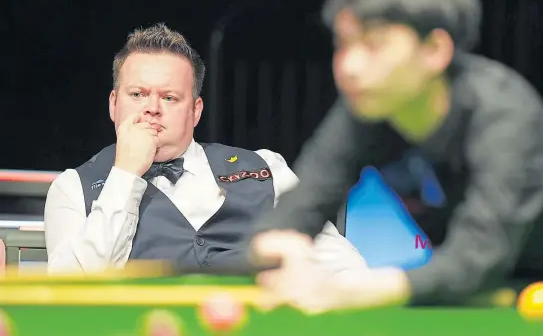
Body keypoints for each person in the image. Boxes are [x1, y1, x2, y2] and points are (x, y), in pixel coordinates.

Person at [249, 0, 543, 313]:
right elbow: (310, 197)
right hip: (494, 290)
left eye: (374, 44)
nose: (350, 65)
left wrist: (358, 289)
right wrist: (279, 243)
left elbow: (480, 253)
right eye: (343, 44)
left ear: (435, 49)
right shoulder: (371, 109)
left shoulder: (506, 115)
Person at [44, 24, 366, 275]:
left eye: (169, 97)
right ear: (114, 105)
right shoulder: (73, 189)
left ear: (196, 111)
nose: (152, 108)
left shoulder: (267, 170)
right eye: (138, 94)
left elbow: (341, 266)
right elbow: (67, 296)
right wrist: (125, 174)